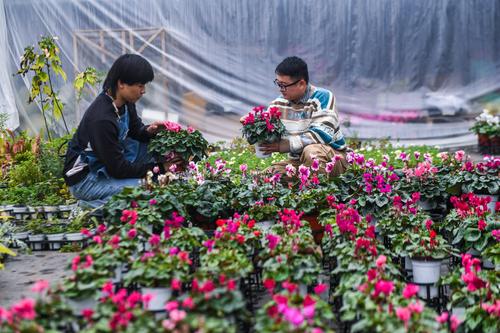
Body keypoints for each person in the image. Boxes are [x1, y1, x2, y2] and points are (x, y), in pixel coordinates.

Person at [63, 54, 181, 208]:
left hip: (104, 166)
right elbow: (118, 169)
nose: (143, 91)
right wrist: (159, 169)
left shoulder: (124, 102)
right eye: (140, 85)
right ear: (121, 84)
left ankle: (117, 193)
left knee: (154, 146)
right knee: (147, 190)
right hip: (86, 179)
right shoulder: (102, 118)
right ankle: (88, 208)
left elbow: (135, 130)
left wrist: (150, 131)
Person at [260, 56, 348, 178]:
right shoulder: (277, 104)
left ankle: (320, 194)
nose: (281, 90)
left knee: (311, 153)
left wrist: (283, 146)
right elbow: (266, 130)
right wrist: (251, 125)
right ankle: (303, 187)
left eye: (284, 85)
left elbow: (321, 134)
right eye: (278, 84)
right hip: (298, 162)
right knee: (265, 177)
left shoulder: (323, 97)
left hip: (333, 158)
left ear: (301, 83)